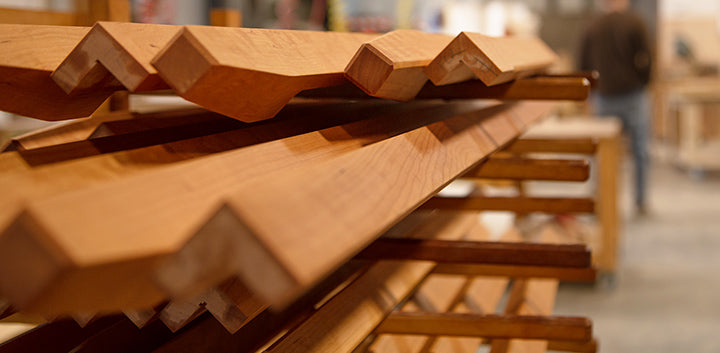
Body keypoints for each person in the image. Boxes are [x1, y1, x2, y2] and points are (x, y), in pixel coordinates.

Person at [580, 0, 652, 216]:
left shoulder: (592, 25)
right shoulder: (636, 23)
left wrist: (589, 94)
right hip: (633, 95)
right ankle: (640, 202)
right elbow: (647, 57)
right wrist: (643, 83)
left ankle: (602, 202)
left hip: (604, 96)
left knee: (603, 153)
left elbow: (582, 63)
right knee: (640, 151)